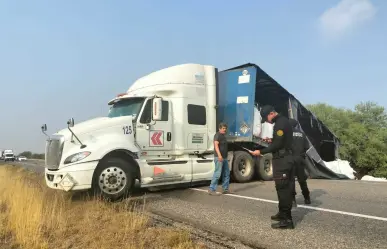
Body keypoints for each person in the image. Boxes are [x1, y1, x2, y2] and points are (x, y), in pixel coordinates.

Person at [249, 105, 295, 229]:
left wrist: (261, 152)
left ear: (271, 113)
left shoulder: (280, 123)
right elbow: (280, 141)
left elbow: (278, 145)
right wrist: (271, 140)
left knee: (283, 189)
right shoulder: (282, 121)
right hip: (284, 159)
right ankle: (282, 213)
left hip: (283, 160)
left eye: (266, 117)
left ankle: (287, 220)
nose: (266, 120)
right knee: (281, 187)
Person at [289, 118, 311, 205]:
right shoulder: (302, 134)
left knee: (291, 181)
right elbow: (307, 146)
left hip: (291, 159)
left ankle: (293, 200)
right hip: (300, 159)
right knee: (302, 180)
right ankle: (307, 198)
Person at [208, 123, 231, 195]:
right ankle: (211, 189)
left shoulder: (223, 136)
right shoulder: (217, 135)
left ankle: (225, 189)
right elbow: (216, 145)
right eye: (223, 128)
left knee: (227, 173)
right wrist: (219, 155)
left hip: (224, 158)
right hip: (219, 158)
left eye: (225, 128)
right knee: (217, 173)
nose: (225, 129)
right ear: (219, 129)